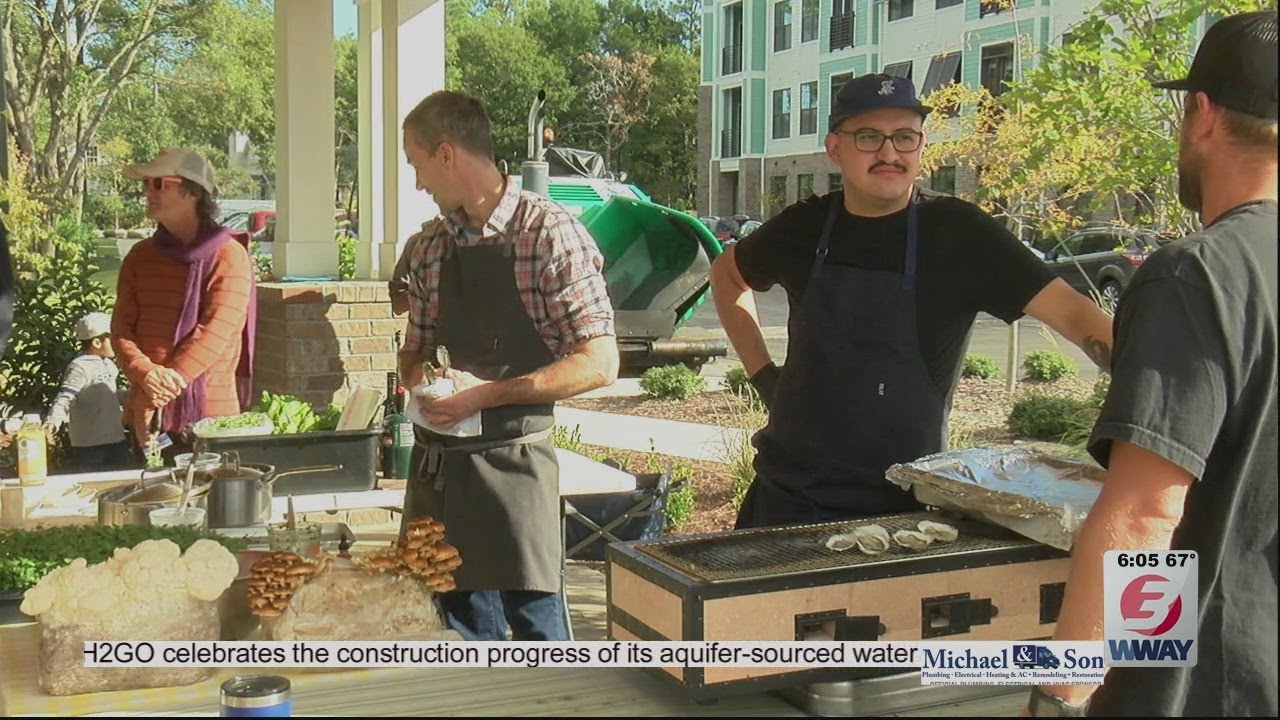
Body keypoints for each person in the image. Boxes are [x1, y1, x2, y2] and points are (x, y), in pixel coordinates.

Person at [711, 72, 1116, 530]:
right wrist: (763, 374)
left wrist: (1160, 400)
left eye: (904, 137)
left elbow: (1074, 313)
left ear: (921, 146)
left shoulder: (960, 235)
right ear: (835, 148)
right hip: (789, 501)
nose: (889, 153)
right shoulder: (802, 228)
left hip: (908, 511)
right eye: (869, 137)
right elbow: (727, 276)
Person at [1025, 11, 1277, 717]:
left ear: (1201, 114)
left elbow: (1148, 514)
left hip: (1208, 685)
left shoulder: (1198, 276)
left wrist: (1063, 694)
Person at [396, 90, 618, 641]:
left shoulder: (547, 235)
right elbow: (414, 353)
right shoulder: (429, 249)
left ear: (446, 154)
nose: (418, 183)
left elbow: (600, 362)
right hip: (440, 481)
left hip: (515, 475)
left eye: (417, 164)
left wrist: (482, 395)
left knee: (539, 643)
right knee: (460, 641)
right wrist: (425, 382)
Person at [111, 148, 257, 459]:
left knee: (208, 507)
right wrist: (146, 375)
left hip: (207, 420)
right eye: (146, 184)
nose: (147, 192)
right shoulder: (140, 256)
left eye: (158, 183)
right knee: (150, 505)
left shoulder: (229, 255)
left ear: (192, 191)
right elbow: (121, 329)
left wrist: (158, 394)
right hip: (147, 418)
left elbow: (214, 334)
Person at [42, 312, 132, 472]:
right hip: (89, 444)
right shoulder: (79, 367)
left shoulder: (109, 365)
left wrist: (131, 396)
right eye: (112, 338)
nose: (117, 342)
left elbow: (110, 394)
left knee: (120, 478)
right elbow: (66, 396)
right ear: (97, 342)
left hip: (115, 437)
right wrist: (53, 420)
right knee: (91, 479)